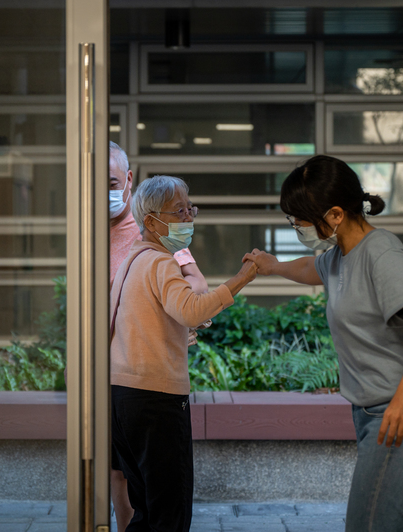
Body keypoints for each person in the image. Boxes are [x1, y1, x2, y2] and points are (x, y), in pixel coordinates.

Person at [243, 155, 403, 532]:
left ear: (335, 214)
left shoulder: (380, 252)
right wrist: (272, 266)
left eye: (301, 219)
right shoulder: (341, 255)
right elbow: (312, 268)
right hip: (380, 416)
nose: (297, 227)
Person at [110, 175, 257, 532]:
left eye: (190, 208)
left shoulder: (134, 259)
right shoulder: (160, 263)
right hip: (155, 399)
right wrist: (243, 277)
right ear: (151, 221)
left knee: (145, 509)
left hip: (122, 397)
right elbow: (192, 309)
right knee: (169, 514)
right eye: (179, 211)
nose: (189, 217)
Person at [108, 142, 207, 531]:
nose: (186, 216)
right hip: (118, 373)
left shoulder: (155, 237)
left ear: (129, 180)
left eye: (112, 181)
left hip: (145, 373)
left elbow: (195, 284)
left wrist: (190, 306)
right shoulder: (88, 233)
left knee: (148, 490)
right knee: (123, 474)